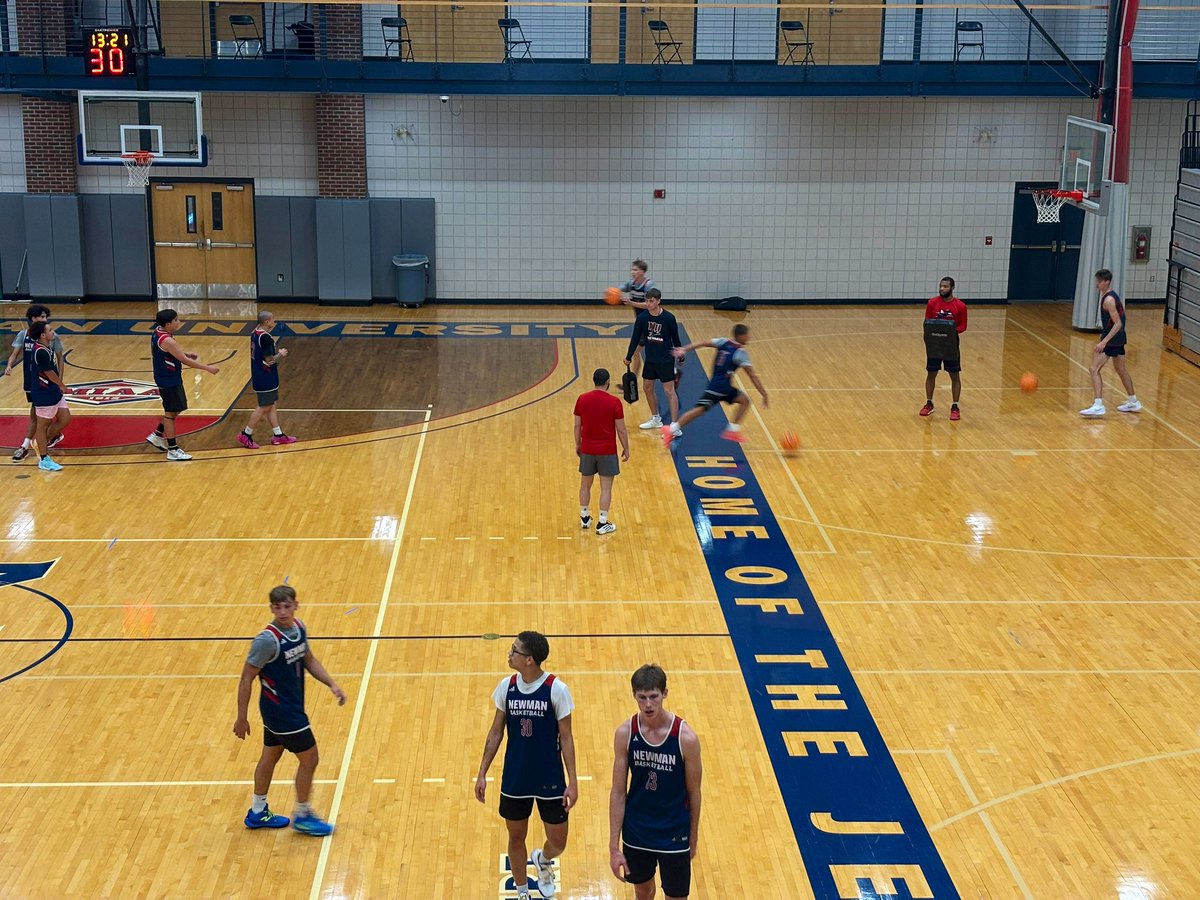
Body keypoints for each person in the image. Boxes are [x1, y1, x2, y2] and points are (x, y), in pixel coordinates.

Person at [233, 584, 346, 837]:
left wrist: (332, 684)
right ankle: (303, 815)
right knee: (311, 758)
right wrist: (242, 716)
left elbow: (309, 659)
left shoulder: (299, 628)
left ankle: (257, 811)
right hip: (283, 712)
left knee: (271, 755)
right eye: (277, 607)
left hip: (287, 708)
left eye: (287, 606)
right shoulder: (267, 640)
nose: (283, 612)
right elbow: (246, 678)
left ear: (296, 605)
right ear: (271, 608)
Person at [475, 631, 578, 900]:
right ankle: (522, 892)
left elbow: (566, 738)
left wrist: (573, 781)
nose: (509, 654)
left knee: (558, 842)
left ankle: (543, 861)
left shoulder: (557, 689)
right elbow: (495, 732)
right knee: (516, 836)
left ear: (530, 660)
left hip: (550, 778)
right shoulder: (506, 687)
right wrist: (482, 773)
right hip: (516, 777)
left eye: (514, 650)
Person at [609, 665, 702, 900]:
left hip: (674, 831)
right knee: (643, 891)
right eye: (642, 697)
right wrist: (613, 845)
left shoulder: (685, 738)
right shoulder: (625, 734)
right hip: (637, 831)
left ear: (665, 694)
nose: (648, 704)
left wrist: (693, 834)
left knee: (677, 897)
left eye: (653, 696)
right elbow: (618, 792)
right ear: (634, 696)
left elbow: (694, 792)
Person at [662, 324, 768, 446]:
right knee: (699, 410)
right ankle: (671, 430)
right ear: (741, 336)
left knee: (744, 401)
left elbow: (702, 342)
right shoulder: (740, 353)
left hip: (722, 386)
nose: (749, 337)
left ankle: (732, 431)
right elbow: (752, 376)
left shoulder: (723, 342)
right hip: (720, 387)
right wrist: (764, 394)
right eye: (747, 335)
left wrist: (684, 349)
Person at [144, 309, 221, 461]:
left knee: (176, 408)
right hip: (168, 378)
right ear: (168, 324)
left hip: (167, 376)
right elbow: (185, 361)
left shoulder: (158, 332)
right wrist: (207, 368)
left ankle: (157, 435)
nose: (179, 322)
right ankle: (172, 449)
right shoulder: (168, 340)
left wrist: (184, 352)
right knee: (171, 413)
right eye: (176, 320)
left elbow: (170, 352)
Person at [4, 304, 66, 462]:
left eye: (46, 317)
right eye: (42, 317)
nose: (45, 320)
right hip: (33, 383)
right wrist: (10, 365)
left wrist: (60, 381)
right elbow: (15, 354)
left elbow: (60, 358)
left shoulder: (51, 337)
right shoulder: (24, 336)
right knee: (38, 417)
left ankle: (30, 445)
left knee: (45, 417)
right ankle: (38, 443)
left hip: (47, 384)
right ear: (33, 319)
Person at [573, 368, 630, 535]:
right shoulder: (614, 402)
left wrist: (578, 444)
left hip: (587, 449)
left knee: (585, 485)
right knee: (606, 488)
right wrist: (626, 448)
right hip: (607, 451)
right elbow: (621, 430)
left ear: (594, 381)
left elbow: (577, 425)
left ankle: (584, 518)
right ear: (608, 382)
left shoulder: (582, 399)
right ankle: (602, 522)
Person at [1081, 268, 1141, 417]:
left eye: (1099, 282)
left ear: (1106, 282)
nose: (1097, 285)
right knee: (1121, 369)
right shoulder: (1111, 296)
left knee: (1094, 369)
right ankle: (1133, 401)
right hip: (1118, 338)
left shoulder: (1108, 300)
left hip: (1112, 339)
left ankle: (1098, 405)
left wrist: (1104, 342)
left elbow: (1118, 323)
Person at [624, 289, 681, 431]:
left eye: (652, 301)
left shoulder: (668, 318)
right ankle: (656, 418)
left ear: (658, 301)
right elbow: (635, 338)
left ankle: (675, 425)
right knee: (647, 387)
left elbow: (676, 338)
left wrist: (681, 354)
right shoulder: (642, 318)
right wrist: (628, 356)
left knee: (669, 391)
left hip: (665, 360)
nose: (649, 303)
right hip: (650, 359)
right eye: (647, 300)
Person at [239, 310, 296, 449]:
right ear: (267, 322)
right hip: (266, 376)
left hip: (258, 374)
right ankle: (246, 434)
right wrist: (281, 354)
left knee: (270, 405)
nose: (274, 322)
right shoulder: (265, 338)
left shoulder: (255, 333)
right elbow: (270, 361)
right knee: (264, 406)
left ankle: (278, 435)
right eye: (273, 319)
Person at [919, 276, 967, 421]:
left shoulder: (960, 306)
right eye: (940, 286)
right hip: (934, 344)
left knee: (954, 375)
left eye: (945, 286)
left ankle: (955, 406)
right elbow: (927, 322)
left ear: (952, 288)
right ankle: (929, 403)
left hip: (950, 345)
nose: (942, 289)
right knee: (931, 373)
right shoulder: (932, 303)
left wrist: (949, 331)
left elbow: (963, 326)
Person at [27, 322, 71, 473]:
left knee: (65, 418)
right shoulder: (41, 351)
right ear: (43, 335)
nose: (54, 331)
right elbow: (50, 374)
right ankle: (44, 459)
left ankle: (40, 443)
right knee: (42, 425)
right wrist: (62, 385)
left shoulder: (48, 347)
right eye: (50, 330)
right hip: (44, 393)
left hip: (53, 391)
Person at [619, 260, 655, 376]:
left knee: (639, 351)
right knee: (636, 352)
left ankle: (635, 376)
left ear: (642, 272)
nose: (632, 272)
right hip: (641, 322)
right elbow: (621, 288)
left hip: (652, 322)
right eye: (632, 269)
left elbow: (650, 304)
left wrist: (632, 303)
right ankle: (633, 377)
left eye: (635, 270)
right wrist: (613, 292)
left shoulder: (648, 285)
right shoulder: (632, 283)